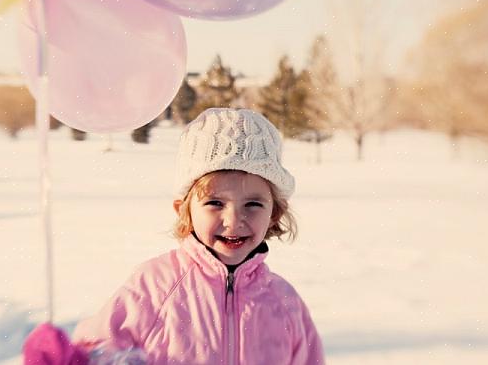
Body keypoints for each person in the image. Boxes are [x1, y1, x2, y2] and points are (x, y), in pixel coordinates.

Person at [24, 108, 324, 365]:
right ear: (184, 210)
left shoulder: (284, 302)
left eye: (253, 204)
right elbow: (101, 350)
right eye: (215, 203)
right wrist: (71, 360)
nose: (234, 220)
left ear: (274, 212)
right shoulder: (155, 286)